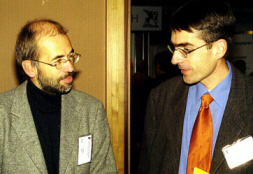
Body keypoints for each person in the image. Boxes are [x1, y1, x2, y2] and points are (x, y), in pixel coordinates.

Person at [138, 0, 253, 173]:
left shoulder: (248, 98)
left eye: (186, 49)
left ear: (218, 49)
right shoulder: (161, 97)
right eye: (174, 48)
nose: (174, 59)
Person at [0, 19, 117, 174]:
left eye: (70, 56)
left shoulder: (91, 110)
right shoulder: (3, 113)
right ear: (30, 68)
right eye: (58, 61)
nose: (70, 67)